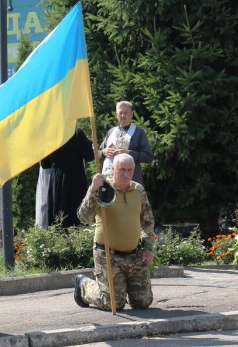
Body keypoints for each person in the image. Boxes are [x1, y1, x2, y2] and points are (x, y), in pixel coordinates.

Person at [73, 153, 156, 311]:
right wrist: (92, 189)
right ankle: (83, 285)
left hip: (134, 254)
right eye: (121, 169)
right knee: (113, 303)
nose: (126, 174)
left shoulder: (138, 190)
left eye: (129, 170)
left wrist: (147, 248)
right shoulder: (103, 189)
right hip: (108, 255)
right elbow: (83, 218)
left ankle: (119, 288)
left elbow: (147, 222)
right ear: (113, 169)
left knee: (143, 302)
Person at [36, 129, 96, 229]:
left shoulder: (49, 134)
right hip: (76, 177)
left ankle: (60, 237)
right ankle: (77, 236)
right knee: (76, 210)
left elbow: (45, 163)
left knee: (59, 211)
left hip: (57, 179)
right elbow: (89, 155)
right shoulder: (76, 133)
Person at [100, 101, 154, 185]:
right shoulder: (111, 132)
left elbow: (148, 156)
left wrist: (128, 153)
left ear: (131, 114)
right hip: (109, 180)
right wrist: (103, 152)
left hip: (131, 182)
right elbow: (98, 153)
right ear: (116, 115)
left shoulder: (139, 133)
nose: (123, 116)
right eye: (120, 113)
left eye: (126, 113)